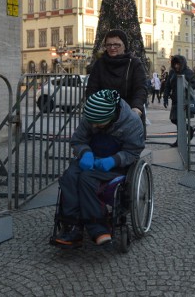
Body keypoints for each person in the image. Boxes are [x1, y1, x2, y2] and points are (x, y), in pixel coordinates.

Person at [53, 89, 145, 248]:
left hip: (114, 164)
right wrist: (85, 152)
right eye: (92, 122)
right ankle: (72, 225)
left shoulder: (132, 122)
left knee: (86, 180)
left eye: (98, 123)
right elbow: (78, 140)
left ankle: (99, 227)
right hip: (90, 159)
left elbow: (133, 151)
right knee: (69, 177)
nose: (94, 125)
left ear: (111, 117)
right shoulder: (91, 116)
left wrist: (114, 160)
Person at [86, 29, 148, 132]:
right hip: (103, 116)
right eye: (108, 45)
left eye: (117, 45)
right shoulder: (100, 64)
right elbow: (91, 88)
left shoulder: (134, 63)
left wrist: (136, 108)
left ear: (124, 45)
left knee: (129, 146)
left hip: (129, 114)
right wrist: (95, 108)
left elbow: (140, 88)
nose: (112, 47)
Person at [162, 54, 195, 147]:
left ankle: (179, 141)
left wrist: (186, 90)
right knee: (174, 119)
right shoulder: (172, 72)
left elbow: (194, 84)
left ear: (182, 64)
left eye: (178, 64)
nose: (176, 66)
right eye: (175, 64)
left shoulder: (188, 72)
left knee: (179, 120)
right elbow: (167, 86)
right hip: (175, 100)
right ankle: (189, 129)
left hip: (184, 101)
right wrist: (165, 98)